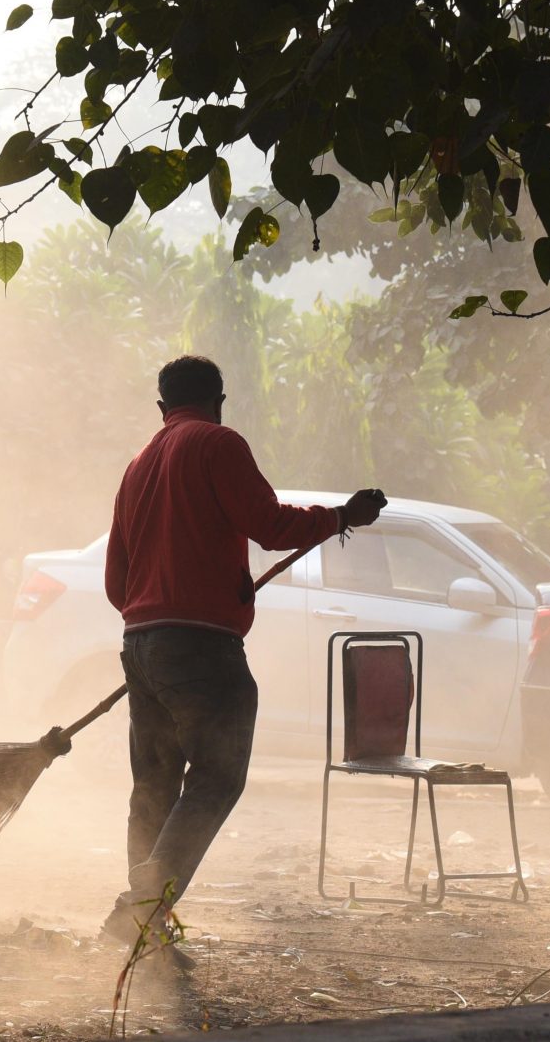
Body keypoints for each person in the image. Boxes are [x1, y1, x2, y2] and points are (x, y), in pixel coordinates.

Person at [99, 355, 385, 945]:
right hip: (202, 648)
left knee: (154, 783)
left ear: (162, 407)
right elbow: (270, 525)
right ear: (219, 400)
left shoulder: (136, 467)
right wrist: (340, 516)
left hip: (141, 644)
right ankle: (142, 908)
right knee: (216, 776)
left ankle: (142, 919)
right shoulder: (218, 444)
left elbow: (115, 584)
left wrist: (157, 618)